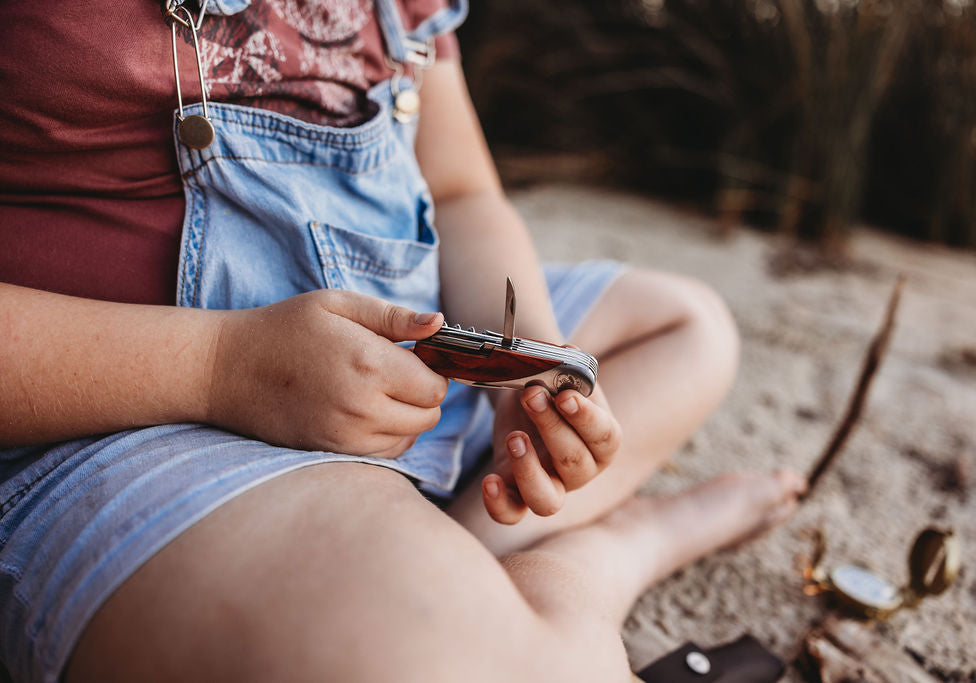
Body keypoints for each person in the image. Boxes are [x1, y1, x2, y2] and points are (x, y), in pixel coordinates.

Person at [0, 1, 806, 681]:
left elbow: (459, 191)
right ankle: (606, 555)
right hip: (144, 420)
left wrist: (522, 359)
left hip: (415, 348)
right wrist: (222, 366)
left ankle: (460, 548)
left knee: (688, 329)